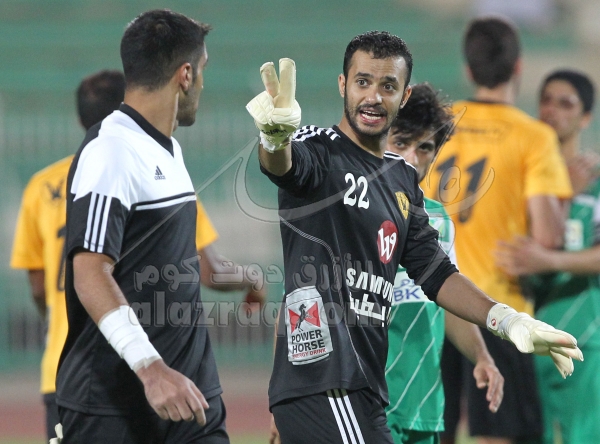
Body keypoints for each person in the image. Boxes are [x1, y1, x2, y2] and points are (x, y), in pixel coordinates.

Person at [246, 30, 581, 444]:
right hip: (324, 380)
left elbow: (437, 273)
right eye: (363, 81)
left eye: (388, 86)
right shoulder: (318, 149)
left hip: (367, 389)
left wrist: (508, 320)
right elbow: (282, 165)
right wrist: (274, 138)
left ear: (403, 96)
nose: (373, 97)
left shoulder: (402, 180)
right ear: (342, 85)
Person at [55, 10, 229, 443]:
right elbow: (89, 272)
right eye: (203, 69)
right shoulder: (110, 150)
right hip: (116, 407)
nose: (202, 83)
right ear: (185, 75)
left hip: (188, 397)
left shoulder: (167, 150)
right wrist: (151, 369)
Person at [423, 17, 574, 444]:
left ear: (469, 69)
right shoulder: (533, 137)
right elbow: (548, 238)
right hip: (496, 309)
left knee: (428, 430)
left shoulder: (436, 124)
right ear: (518, 67)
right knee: (499, 432)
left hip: (434, 306)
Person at [384, 82, 503, 444]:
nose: (412, 158)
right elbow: (304, 297)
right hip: (366, 404)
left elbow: (446, 301)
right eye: (400, 143)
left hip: (424, 407)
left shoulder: (438, 220)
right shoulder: (348, 211)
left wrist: (481, 356)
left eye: (425, 147)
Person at [10, 69, 125, 441]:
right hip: (132, 363)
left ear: (80, 120)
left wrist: (55, 315)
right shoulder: (151, 173)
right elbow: (203, 264)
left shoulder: (42, 185)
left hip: (64, 366)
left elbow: (38, 285)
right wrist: (250, 281)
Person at [496, 70, 600, 444]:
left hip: (584, 337)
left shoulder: (597, 183)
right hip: (524, 335)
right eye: (546, 101)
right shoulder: (520, 180)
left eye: (566, 103)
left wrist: (549, 260)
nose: (552, 110)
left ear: (585, 117)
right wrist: (561, 192)